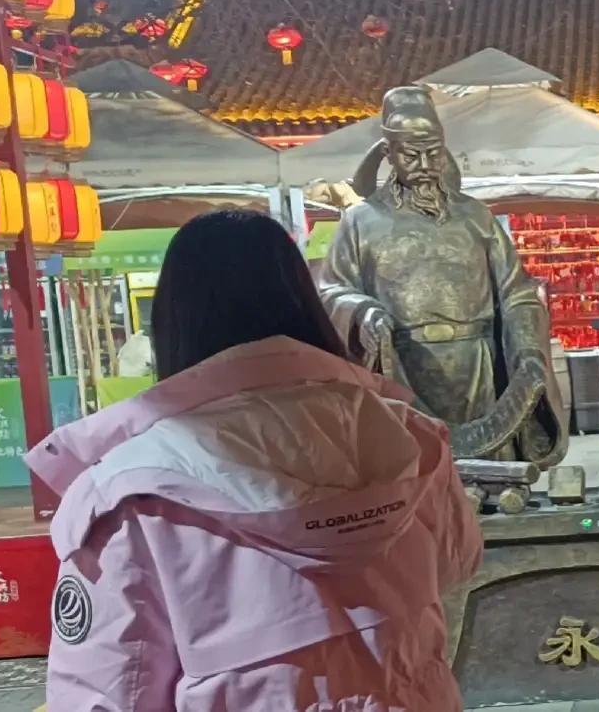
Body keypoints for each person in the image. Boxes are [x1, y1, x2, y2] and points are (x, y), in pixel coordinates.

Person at [28, 209, 482, 711]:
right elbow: (456, 563)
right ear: (307, 302)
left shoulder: (129, 492)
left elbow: (108, 690)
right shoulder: (413, 438)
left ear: (174, 319)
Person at [318, 86, 566, 465]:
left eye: (433, 153)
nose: (424, 164)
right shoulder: (360, 222)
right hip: (401, 368)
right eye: (411, 154)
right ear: (389, 154)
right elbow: (332, 289)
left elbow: (516, 292)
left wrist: (529, 352)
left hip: (478, 369)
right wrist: (364, 313)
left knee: (491, 476)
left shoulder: (476, 217)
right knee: (417, 476)